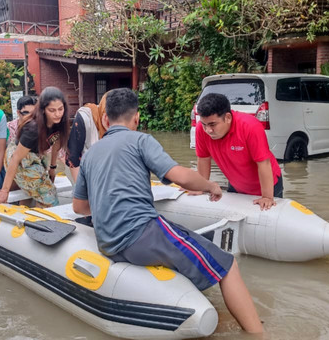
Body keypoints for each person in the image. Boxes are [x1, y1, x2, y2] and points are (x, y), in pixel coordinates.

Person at [71, 88, 263, 333]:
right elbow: (178, 176)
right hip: (141, 235)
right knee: (227, 266)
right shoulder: (141, 140)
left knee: (179, 243)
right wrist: (210, 185)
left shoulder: (90, 155)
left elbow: (79, 207)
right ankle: (259, 333)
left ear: (105, 120)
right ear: (137, 118)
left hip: (109, 244)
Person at [194, 93, 283, 210]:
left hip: (268, 186)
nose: (208, 130)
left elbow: (264, 163)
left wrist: (267, 197)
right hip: (236, 184)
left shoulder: (250, 127)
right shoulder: (201, 130)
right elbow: (203, 159)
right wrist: (201, 186)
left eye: (213, 124)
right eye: (204, 124)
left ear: (228, 118)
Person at [0, 86, 69, 207]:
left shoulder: (60, 122)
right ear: (43, 110)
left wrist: (52, 168)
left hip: (35, 155)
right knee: (49, 195)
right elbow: (15, 159)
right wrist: (4, 191)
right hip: (19, 157)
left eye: (60, 109)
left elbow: (56, 142)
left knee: (40, 185)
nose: (57, 114)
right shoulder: (33, 129)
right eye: (52, 110)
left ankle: (28, 210)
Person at [65, 91, 109, 183]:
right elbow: (73, 157)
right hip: (80, 168)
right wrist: (81, 191)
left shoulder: (125, 122)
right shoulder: (85, 117)